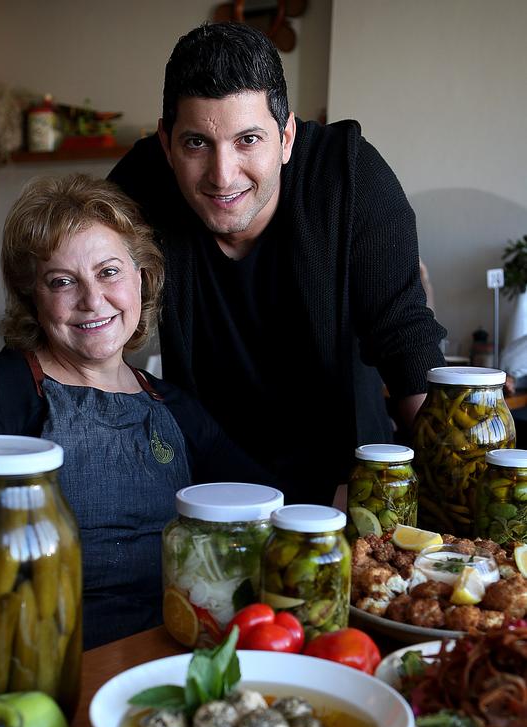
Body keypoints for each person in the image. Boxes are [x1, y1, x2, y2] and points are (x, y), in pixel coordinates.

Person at [0, 174, 273, 649]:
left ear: (141, 278)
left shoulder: (174, 406)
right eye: (62, 281)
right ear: (32, 298)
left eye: (109, 272)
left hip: (175, 649)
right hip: (50, 661)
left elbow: (265, 507)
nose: (92, 300)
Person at [110, 21, 447, 505]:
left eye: (248, 140)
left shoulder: (351, 181)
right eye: (196, 144)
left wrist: (462, 503)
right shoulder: (137, 189)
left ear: (286, 136)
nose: (223, 176)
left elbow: (407, 343)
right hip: (209, 490)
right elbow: (78, 325)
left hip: (344, 490)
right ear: (166, 144)